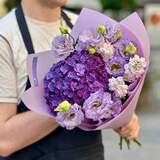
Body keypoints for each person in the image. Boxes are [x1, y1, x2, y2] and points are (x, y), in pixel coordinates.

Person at [0, 0, 140, 159]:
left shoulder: (86, 30)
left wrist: (118, 113)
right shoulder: (6, 37)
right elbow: (3, 140)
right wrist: (73, 102)